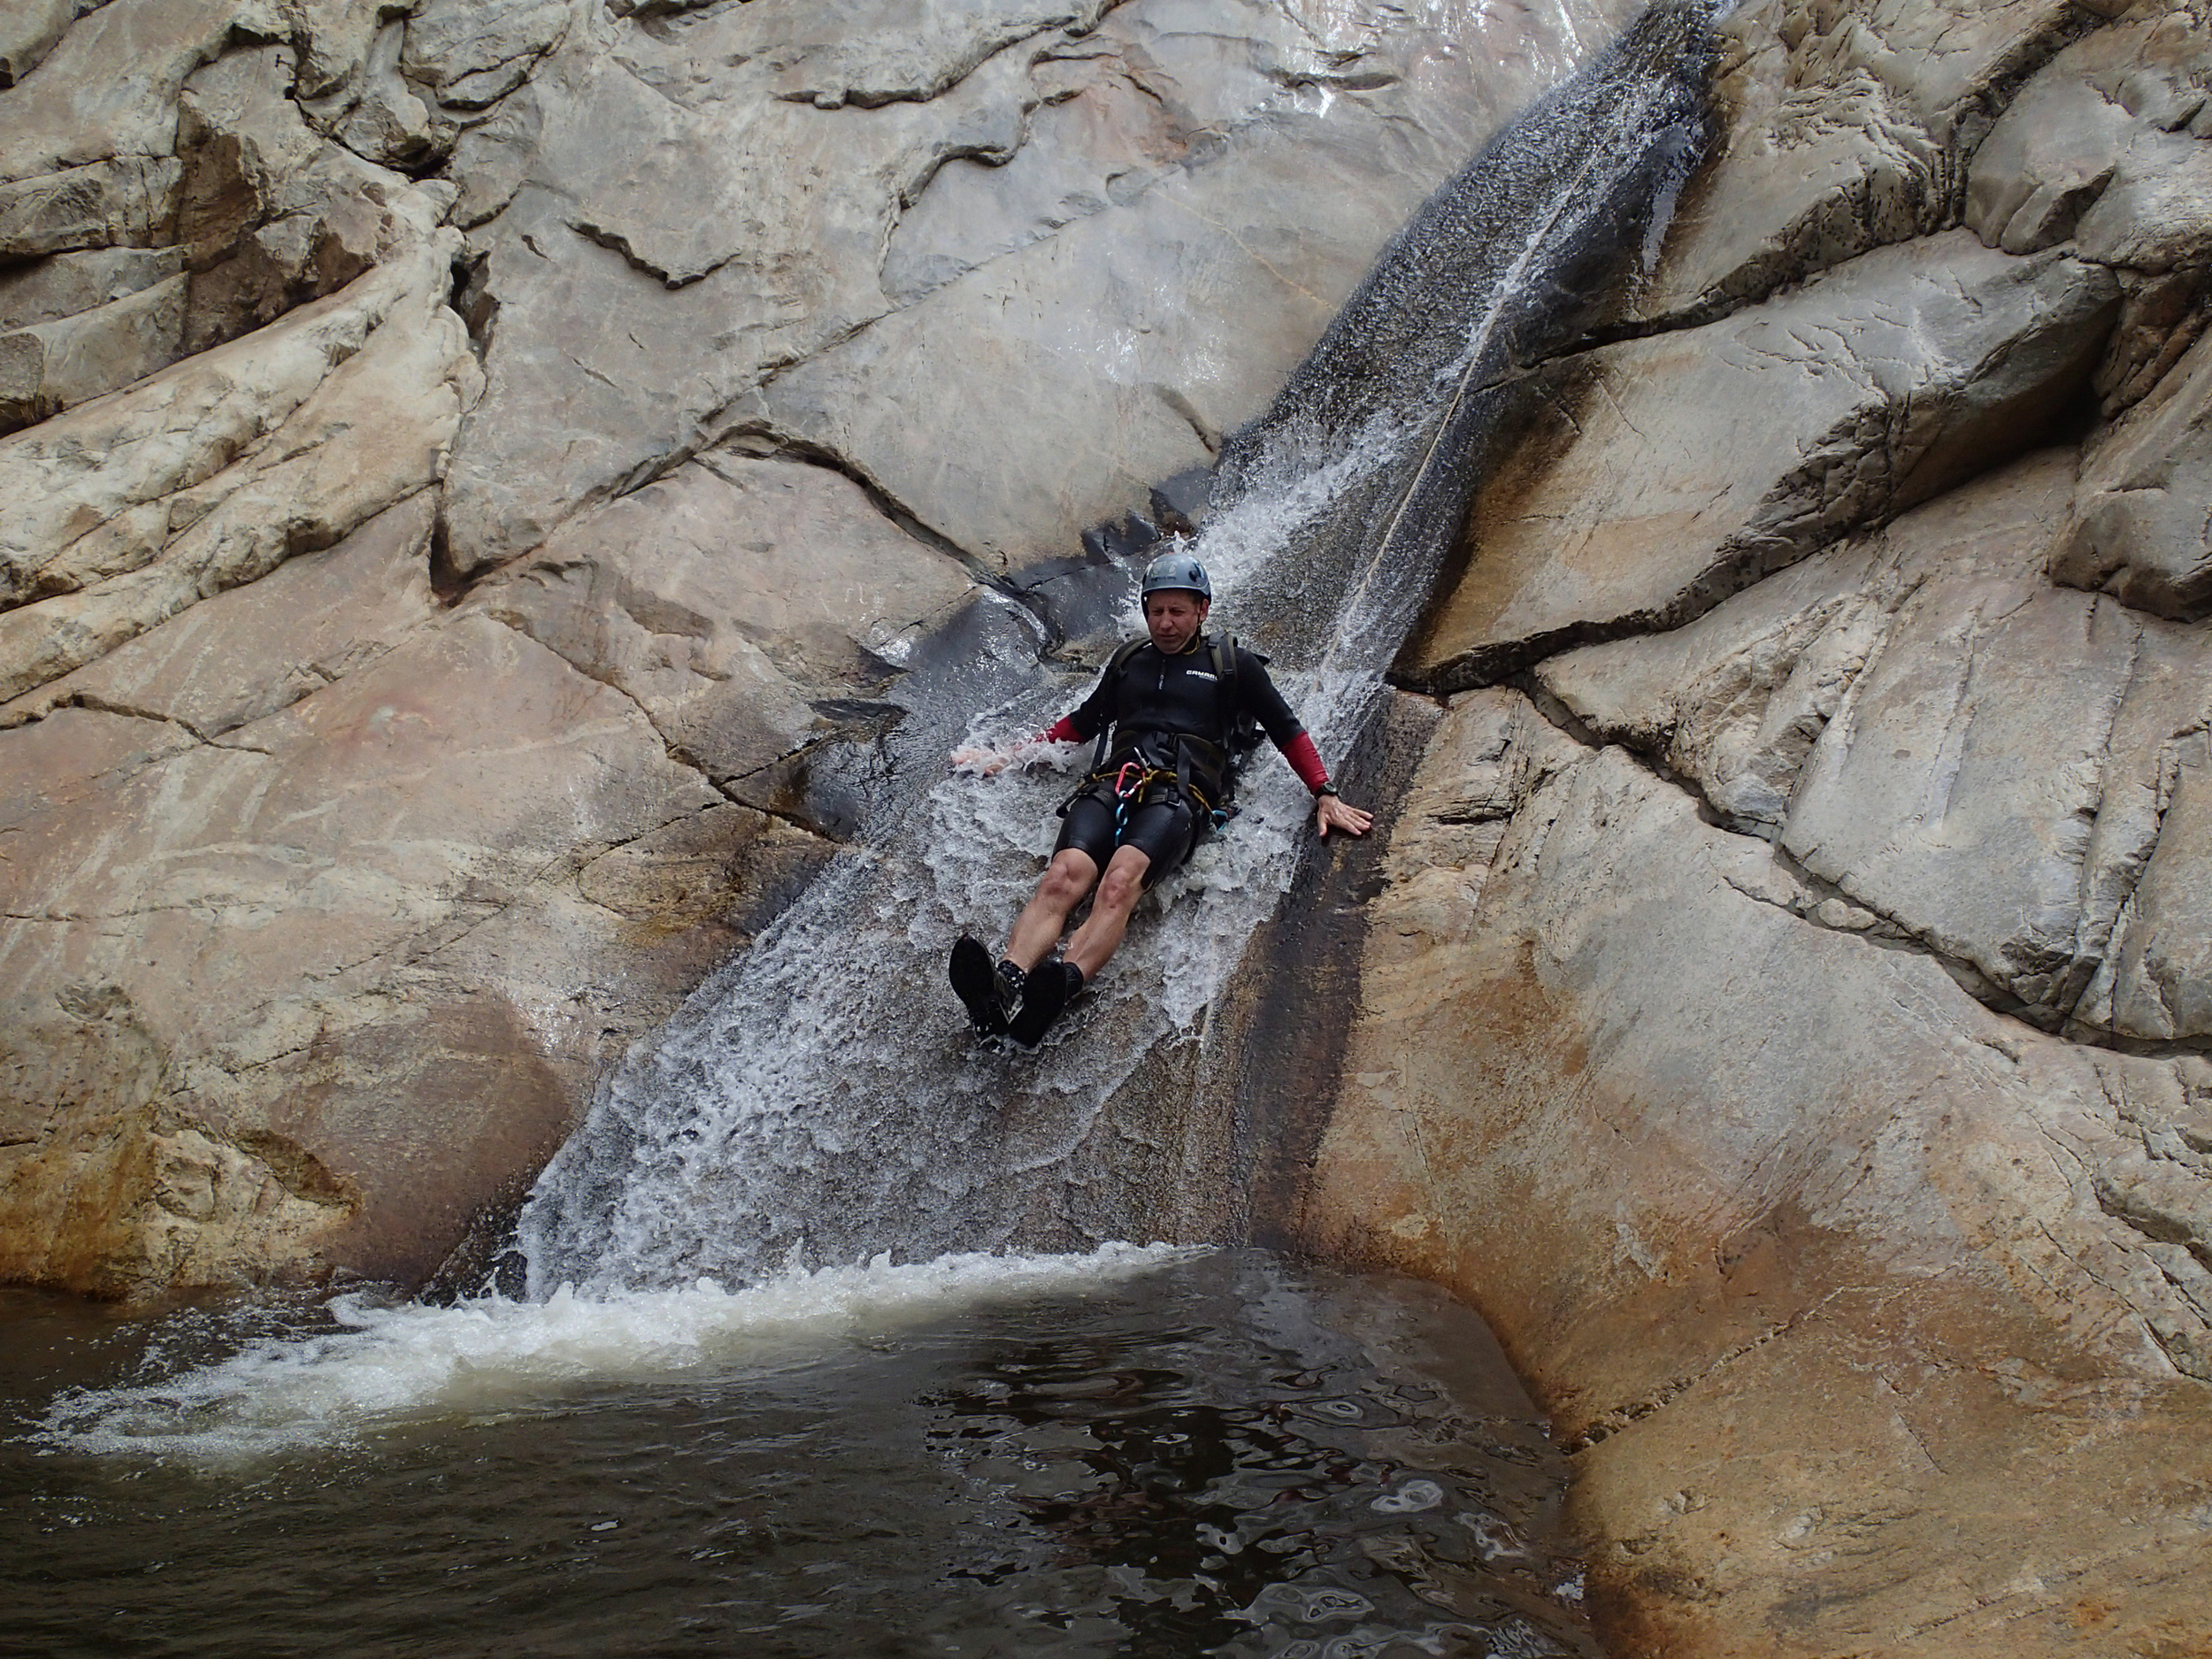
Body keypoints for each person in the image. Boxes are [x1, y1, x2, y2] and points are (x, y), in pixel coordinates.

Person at [948, 549, 1372, 1045]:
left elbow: (1286, 728)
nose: (1166, 623)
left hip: (1180, 796)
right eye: (1157, 611)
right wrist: (1011, 755)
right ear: (1146, 610)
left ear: (1202, 611)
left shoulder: (1230, 665)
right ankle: (1004, 983)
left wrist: (1324, 791)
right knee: (1064, 876)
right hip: (1112, 782)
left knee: (1118, 882)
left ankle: (1061, 984)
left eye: (1178, 611)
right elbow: (1083, 723)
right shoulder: (1130, 660)